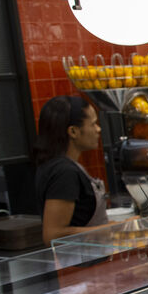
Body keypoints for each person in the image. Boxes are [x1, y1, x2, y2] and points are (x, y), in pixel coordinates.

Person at [33, 95, 109, 244]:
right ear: (73, 131)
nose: (98, 129)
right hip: (80, 257)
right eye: (93, 124)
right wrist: (114, 229)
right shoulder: (64, 172)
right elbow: (53, 235)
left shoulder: (65, 165)